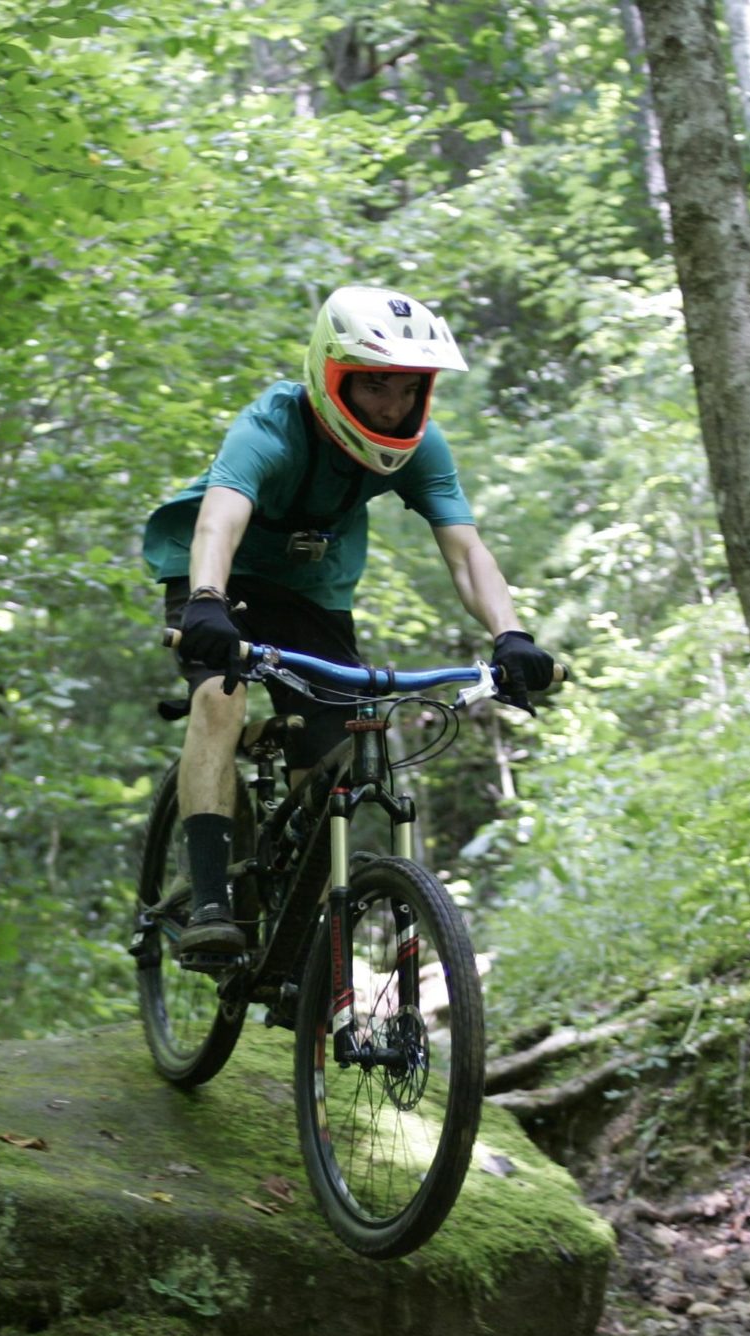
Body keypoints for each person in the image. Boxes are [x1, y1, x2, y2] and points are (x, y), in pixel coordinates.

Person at [142, 285, 558, 966]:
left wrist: (510, 635)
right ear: (332, 374)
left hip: (312, 592)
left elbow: (465, 549)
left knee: (339, 744)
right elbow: (220, 516)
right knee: (219, 694)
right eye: (375, 386)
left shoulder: (423, 446)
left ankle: (297, 917)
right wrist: (208, 600)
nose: (393, 405)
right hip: (219, 578)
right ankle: (212, 901)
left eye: (408, 389)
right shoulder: (270, 425)